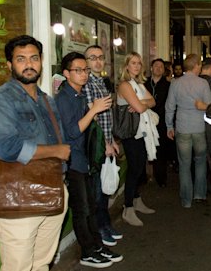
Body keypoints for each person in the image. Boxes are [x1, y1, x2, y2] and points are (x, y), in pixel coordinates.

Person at [0, 35, 71, 271]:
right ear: (9, 65)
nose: (28, 64)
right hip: (18, 196)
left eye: (34, 58)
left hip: (53, 189)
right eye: (21, 59)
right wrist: (56, 151)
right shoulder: (3, 99)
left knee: (42, 263)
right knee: (18, 267)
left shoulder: (46, 100)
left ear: (41, 61)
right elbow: (6, 146)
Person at [55, 52, 123, 268]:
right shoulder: (63, 98)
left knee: (91, 206)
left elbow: (88, 128)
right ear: (66, 73)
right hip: (73, 161)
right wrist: (93, 110)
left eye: (85, 70)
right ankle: (88, 251)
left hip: (86, 159)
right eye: (78, 70)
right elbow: (73, 132)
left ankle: (96, 245)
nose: (84, 74)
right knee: (82, 209)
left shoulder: (80, 95)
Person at [83, 45, 123, 246]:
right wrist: (106, 143)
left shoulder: (102, 82)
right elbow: (94, 117)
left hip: (107, 141)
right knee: (97, 193)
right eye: (93, 58)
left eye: (100, 57)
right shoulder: (88, 84)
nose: (98, 61)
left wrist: (112, 139)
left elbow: (107, 116)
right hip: (97, 146)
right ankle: (99, 230)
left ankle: (106, 224)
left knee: (105, 190)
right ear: (86, 62)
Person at [165, 54, 211, 207]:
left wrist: (169, 126)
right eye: (199, 65)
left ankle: (186, 200)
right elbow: (210, 105)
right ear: (196, 66)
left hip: (183, 128)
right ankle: (199, 194)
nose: (200, 67)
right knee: (200, 162)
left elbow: (170, 106)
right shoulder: (202, 83)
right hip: (199, 128)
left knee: (184, 164)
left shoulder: (175, 83)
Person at [117, 52, 157, 226]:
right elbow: (140, 108)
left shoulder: (138, 84)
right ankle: (128, 208)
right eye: (133, 63)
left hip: (140, 131)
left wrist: (142, 103)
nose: (137, 66)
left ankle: (136, 199)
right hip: (131, 132)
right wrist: (142, 104)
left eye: (139, 63)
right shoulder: (125, 85)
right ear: (126, 65)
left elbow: (152, 102)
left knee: (140, 168)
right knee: (134, 169)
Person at [144, 58, 171, 187]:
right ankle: (145, 176)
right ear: (151, 68)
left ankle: (161, 178)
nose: (159, 68)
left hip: (161, 121)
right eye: (156, 66)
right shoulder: (144, 84)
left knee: (161, 150)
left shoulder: (168, 85)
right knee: (144, 148)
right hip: (145, 120)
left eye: (161, 66)